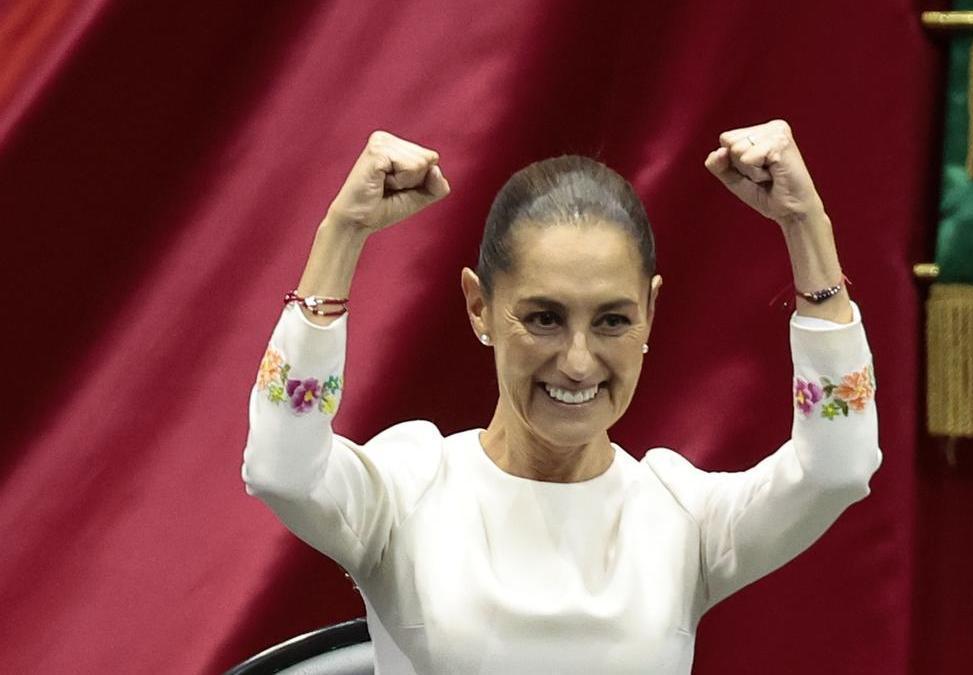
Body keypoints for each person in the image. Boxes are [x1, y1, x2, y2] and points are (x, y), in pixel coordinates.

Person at [242, 119, 881, 674]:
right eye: (544, 318)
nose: (578, 363)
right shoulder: (407, 489)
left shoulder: (684, 516)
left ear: (652, 313)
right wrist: (342, 231)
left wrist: (806, 226)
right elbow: (282, 469)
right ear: (479, 307)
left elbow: (838, 467)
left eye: (611, 321)